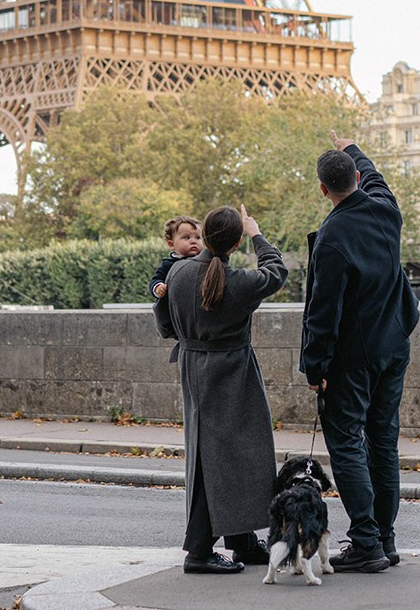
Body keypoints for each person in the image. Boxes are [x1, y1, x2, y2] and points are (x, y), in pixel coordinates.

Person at [300, 130, 419, 573]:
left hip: (353, 359)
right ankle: (385, 539)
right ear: (356, 176)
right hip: (395, 344)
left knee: (347, 442)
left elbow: (322, 314)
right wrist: (352, 146)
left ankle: (366, 540)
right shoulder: (387, 211)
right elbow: (376, 176)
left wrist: (316, 366)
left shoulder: (332, 238)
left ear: (322, 189)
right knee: (383, 443)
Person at [157, 204, 288, 575]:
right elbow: (277, 272)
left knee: (217, 458)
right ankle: (198, 551)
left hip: (194, 368)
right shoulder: (239, 283)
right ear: (233, 243)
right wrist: (256, 233)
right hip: (233, 375)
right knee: (232, 458)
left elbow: (165, 323)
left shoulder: (179, 271)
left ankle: (241, 540)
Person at [148, 215, 203, 300]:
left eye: (198, 237)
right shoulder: (168, 264)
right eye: (186, 237)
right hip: (174, 308)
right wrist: (158, 287)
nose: (193, 241)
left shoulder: (204, 262)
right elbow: (155, 280)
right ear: (171, 244)